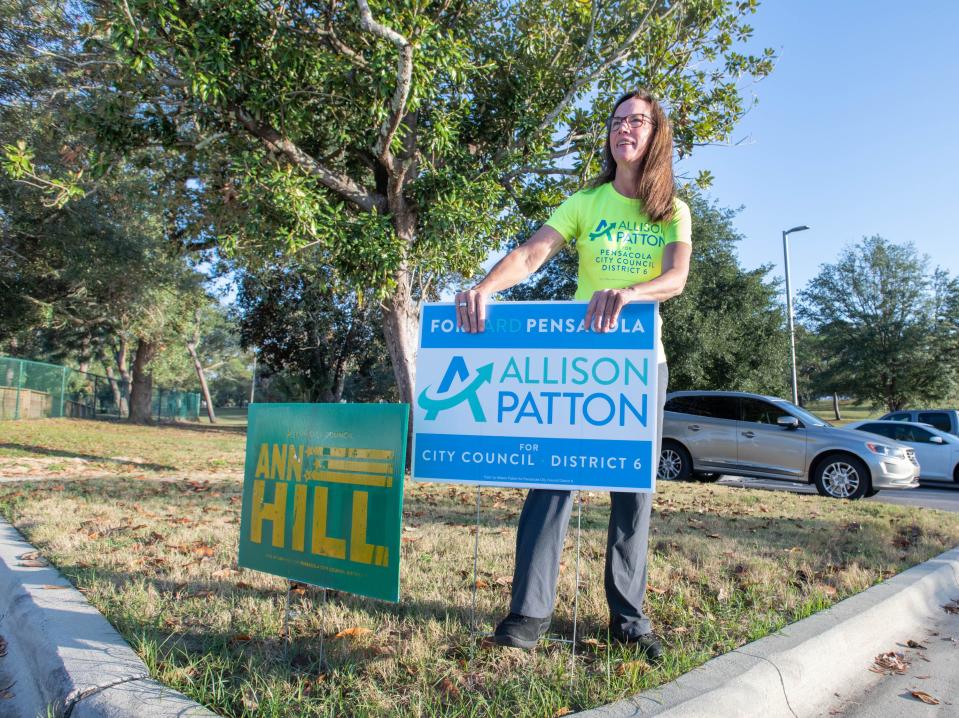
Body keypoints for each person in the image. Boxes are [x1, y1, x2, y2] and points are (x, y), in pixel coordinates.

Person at [454, 89, 692, 658]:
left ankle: (629, 619)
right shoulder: (586, 201)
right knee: (552, 481)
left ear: (656, 134)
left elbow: (676, 277)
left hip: (640, 364)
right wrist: (486, 286)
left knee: (632, 492)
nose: (624, 129)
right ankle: (527, 615)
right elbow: (534, 253)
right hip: (577, 363)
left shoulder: (671, 210)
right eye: (616, 122)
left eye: (637, 121)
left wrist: (631, 293)